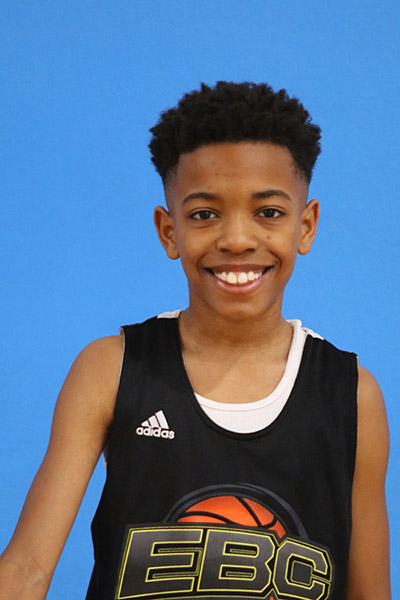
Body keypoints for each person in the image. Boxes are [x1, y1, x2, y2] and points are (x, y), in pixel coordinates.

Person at [0, 81, 391, 600]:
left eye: (268, 212)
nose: (237, 239)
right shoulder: (111, 369)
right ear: (169, 231)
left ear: (306, 225)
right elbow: (27, 569)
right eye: (205, 214)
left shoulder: (351, 395)